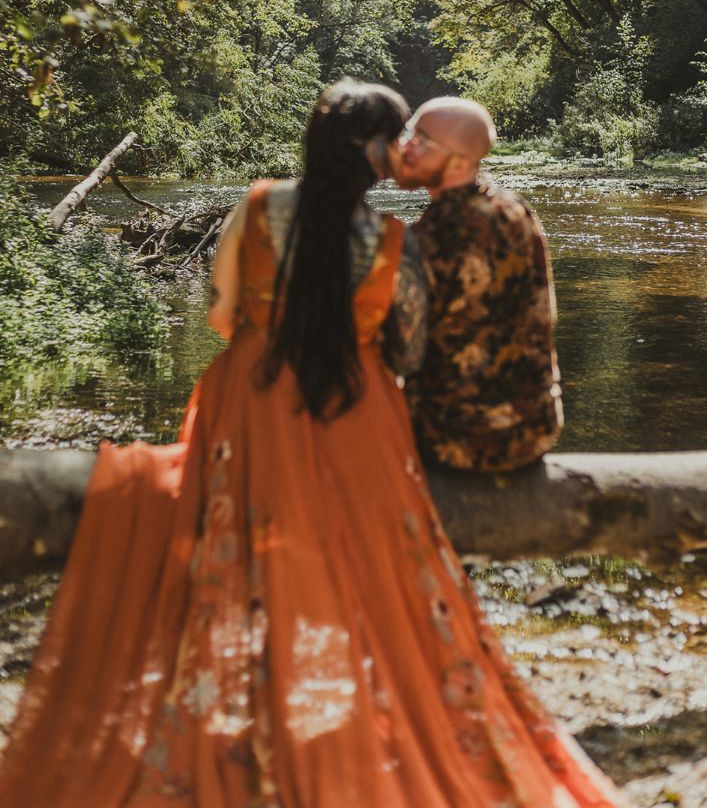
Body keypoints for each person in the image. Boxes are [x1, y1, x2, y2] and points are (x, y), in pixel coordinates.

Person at [0, 80, 623, 808]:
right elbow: (408, 351)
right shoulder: (402, 240)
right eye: (401, 138)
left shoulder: (263, 205)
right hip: (388, 413)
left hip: (256, 396)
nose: (406, 150)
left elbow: (224, 317)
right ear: (374, 156)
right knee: (382, 561)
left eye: (419, 140)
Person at [394, 96, 563, 472]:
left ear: (457, 160)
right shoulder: (518, 213)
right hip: (534, 431)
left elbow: (401, 357)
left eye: (419, 140)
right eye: (409, 134)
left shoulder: (421, 241)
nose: (405, 148)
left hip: (453, 443)